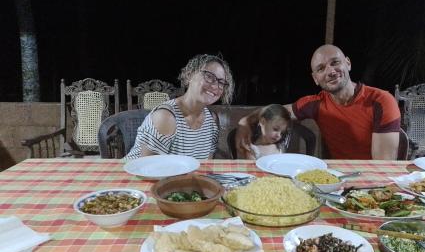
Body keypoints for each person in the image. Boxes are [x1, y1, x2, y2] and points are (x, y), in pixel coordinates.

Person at [236, 45, 401, 160]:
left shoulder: (381, 100)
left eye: (335, 62)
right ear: (315, 78)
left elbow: (383, 165)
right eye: (321, 69)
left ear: (348, 63)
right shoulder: (315, 104)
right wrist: (245, 122)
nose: (330, 71)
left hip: (373, 184)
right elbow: (274, 111)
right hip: (337, 180)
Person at [125, 54, 234, 160]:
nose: (215, 85)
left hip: (176, 177)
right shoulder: (166, 117)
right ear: (189, 75)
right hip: (129, 176)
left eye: (221, 82)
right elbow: (149, 169)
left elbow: (204, 166)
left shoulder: (212, 122)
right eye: (209, 76)